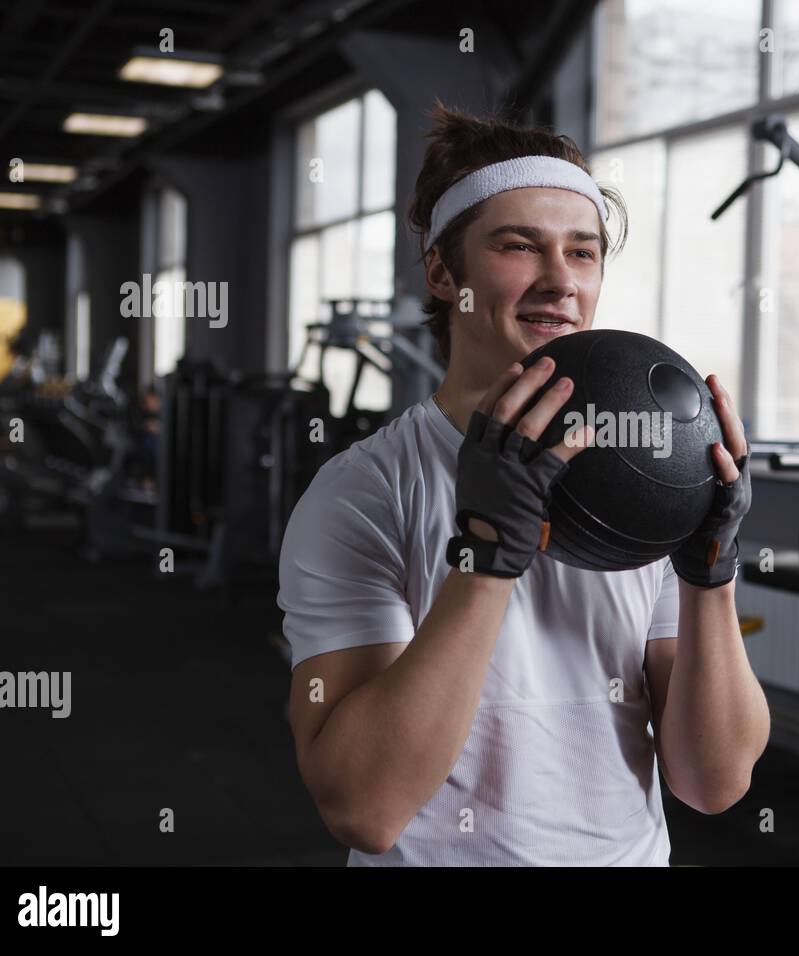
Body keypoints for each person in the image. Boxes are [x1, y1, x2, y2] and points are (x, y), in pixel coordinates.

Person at [277, 101, 771, 866]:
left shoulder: (644, 478)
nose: (559, 282)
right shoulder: (365, 493)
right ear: (444, 271)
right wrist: (485, 561)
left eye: (583, 252)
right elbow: (363, 809)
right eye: (519, 246)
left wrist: (710, 577)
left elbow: (715, 781)